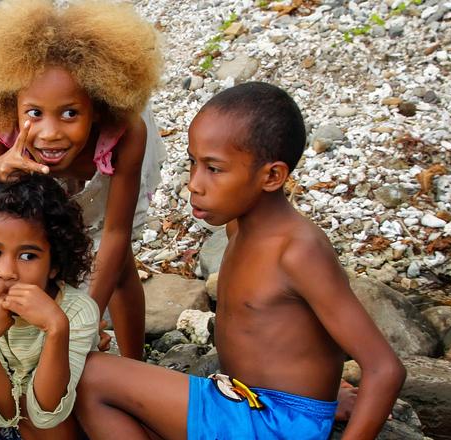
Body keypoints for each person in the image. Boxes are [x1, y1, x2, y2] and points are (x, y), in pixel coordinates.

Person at [74, 82, 406, 440]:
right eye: (193, 162)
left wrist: (312, 411)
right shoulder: (239, 227)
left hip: (271, 422)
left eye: (214, 169)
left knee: (90, 378)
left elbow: (385, 369)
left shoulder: (298, 251)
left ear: (272, 176)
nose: (193, 184)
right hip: (248, 404)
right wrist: (324, 396)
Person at [0, 0, 165, 360]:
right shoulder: (1, 123)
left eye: (70, 113)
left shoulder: (127, 132)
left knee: (119, 264)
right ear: (12, 105)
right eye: (34, 113)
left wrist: (85, 320)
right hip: (41, 174)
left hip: (108, 171)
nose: (50, 133)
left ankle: (136, 360)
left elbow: (116, 232)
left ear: (98, 106)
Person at [0, 173, 100, 439]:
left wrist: (56, 328)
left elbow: (47, 413)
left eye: (28, 256)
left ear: (54, 265)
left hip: (54, 416)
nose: (7, 272)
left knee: (48, 430)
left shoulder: (76, 311)